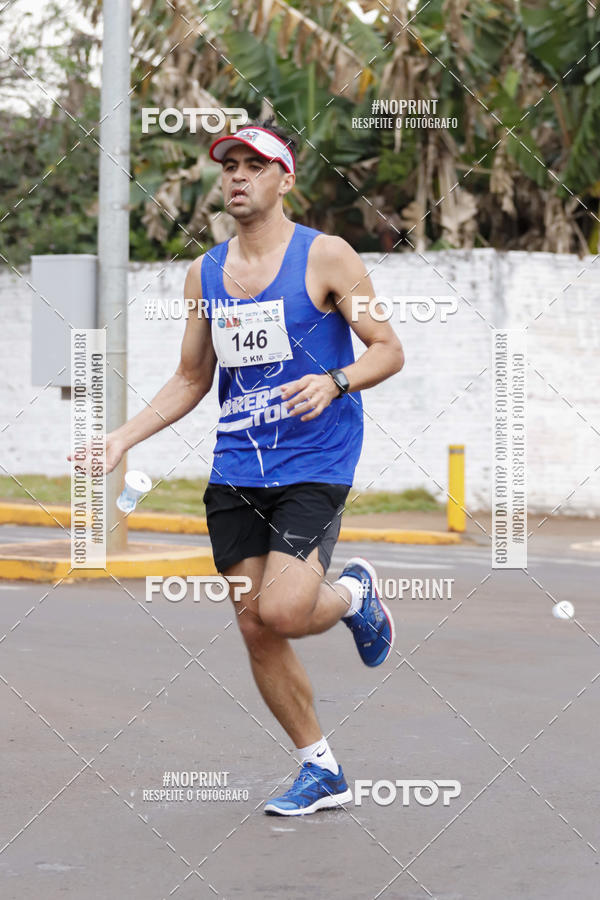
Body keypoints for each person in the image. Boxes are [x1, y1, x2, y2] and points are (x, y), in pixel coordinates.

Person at [94, 117, 404, 816]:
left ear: (284, 179)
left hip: (315, 461)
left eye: (253, 165)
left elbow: (387, 347)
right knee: (254, 624)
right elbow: (190, 377)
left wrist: (336, 381)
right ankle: (320, 768)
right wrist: (123, 439)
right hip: (237, 469)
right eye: (228, 164)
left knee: (286, 609)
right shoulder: (203, 273)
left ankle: (354, 595)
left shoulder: (327, 257)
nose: (236, 175)